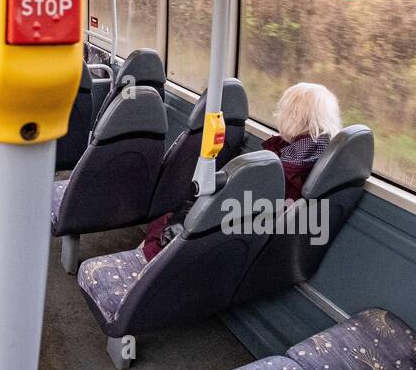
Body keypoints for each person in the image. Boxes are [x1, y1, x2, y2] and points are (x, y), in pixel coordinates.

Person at [141, 82, 341, 261]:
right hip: (262, 235)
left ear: (294, 117)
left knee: (166, 219)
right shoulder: (321, 155)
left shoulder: (287, 167)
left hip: (238, 233)